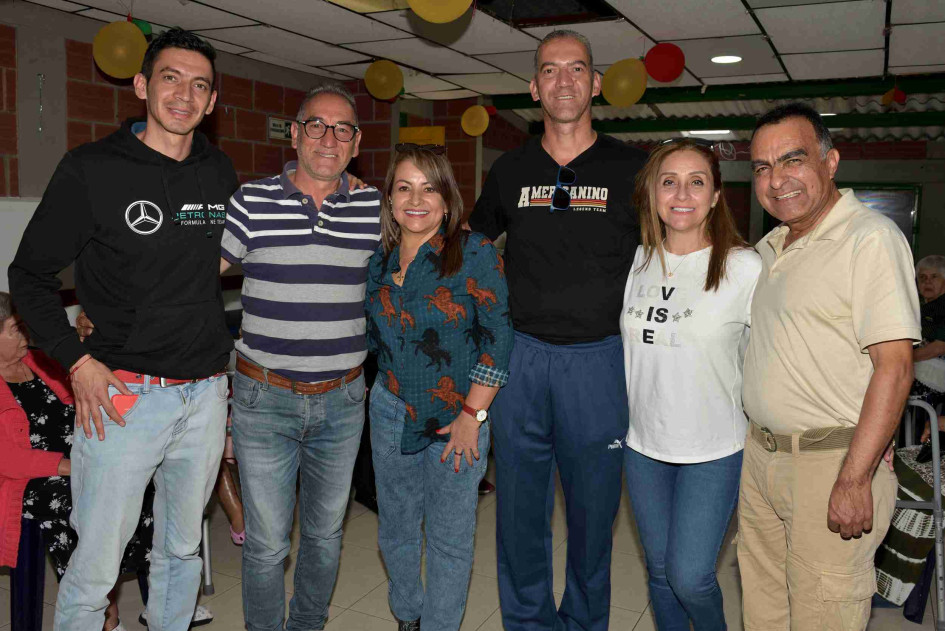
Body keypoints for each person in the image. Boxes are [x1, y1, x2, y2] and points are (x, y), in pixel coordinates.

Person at [8, 28, 236, 631]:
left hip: (206, 395)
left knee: (182, 551)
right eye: (170, 78)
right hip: (122, 400)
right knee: (96, 570)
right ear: (141, 86)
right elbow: (27, 275)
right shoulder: (92, 169)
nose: (184, 95)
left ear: (212, 102)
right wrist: (75, 364)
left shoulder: (218, 171)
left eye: (199, 85)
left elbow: (215, 258)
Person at [469, 29, 646, 631]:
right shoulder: (510, 169)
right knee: (519, 513)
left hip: (599, 364)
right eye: (551, 70)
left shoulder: (633, 169)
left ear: (596, 83)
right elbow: (471, 250)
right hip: (520, 361)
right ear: (534, 87)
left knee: (594, 516)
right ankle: (527, 622)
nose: (564, 81)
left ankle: (585, 623)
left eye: (577, 70)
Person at [739, 102, 920, 629]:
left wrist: (856, 476)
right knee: (764, 609)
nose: (777, 180)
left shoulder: (871, 239)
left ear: (831, 161)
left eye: (792, 160)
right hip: (763, 460)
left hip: (832, 465)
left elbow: (895, 367)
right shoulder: (769, 248)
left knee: (824, 614)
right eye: (762, 167)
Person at [220, 82, 381, 631]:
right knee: (265, 543)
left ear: (357, 142)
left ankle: (307, 624)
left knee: (325, 534)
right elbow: (193, 280)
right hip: (265, 398)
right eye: (316, 124)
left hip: (342, 400)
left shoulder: (373, 208)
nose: (328, 138)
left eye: (342, 128)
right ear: (294, 133)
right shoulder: (251, 201)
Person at [366, 144, 512, 631]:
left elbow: (499, 338)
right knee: (397, 531)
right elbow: (372, 339)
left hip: (458, 419)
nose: (416, 199)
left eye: (429, 188)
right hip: (390, 412)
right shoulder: (379, 261)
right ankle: (408, 616)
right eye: (404, 187)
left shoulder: (474, 253)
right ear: (389, 200)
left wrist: (474, 417)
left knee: (450, 540)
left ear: (447, 200)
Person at [619, 139, 760, 630]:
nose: (682, 193)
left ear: (717, 195)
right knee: (659, 575)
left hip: (714, 449)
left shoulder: (744, 268)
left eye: (696, 181)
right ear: (653, 194)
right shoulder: (636, 263)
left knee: (691, 576)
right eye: (669, 181)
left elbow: (777, 355)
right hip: (644, 447)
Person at [913, 255, 945, 442]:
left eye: (934, 277)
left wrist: (902, 358)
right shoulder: (920, 308)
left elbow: (939, 347)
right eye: (923, 278)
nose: (927, 282)